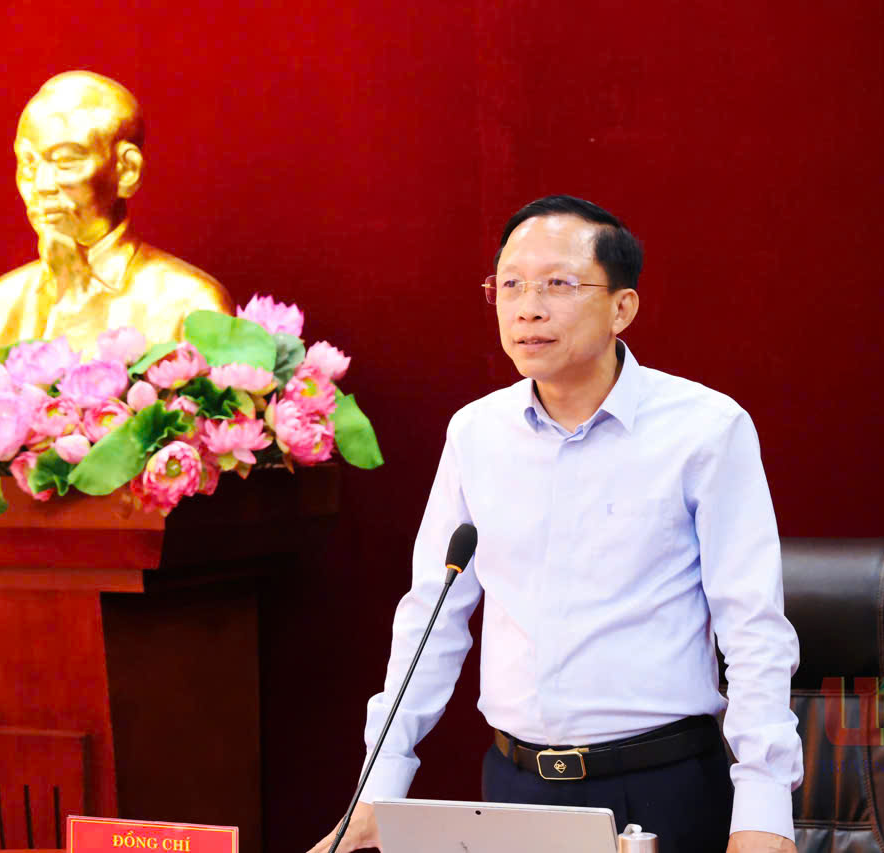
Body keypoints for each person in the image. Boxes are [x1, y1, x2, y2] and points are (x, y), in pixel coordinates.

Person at [307, 196, 802, 853]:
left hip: (663, 785)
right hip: (515, 787)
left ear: (622, 308)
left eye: (558, 285)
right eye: (510, 285)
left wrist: (765, 810)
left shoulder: (706, 430)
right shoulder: (477, 433)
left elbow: (753, 627)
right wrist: (379, 788)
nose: (528, 308)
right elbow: (432, 616)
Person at [0, 71, 233, 356]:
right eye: (28, 164)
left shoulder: (192, 305)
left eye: (65, 161)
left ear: (127, 170)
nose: (41, 185)